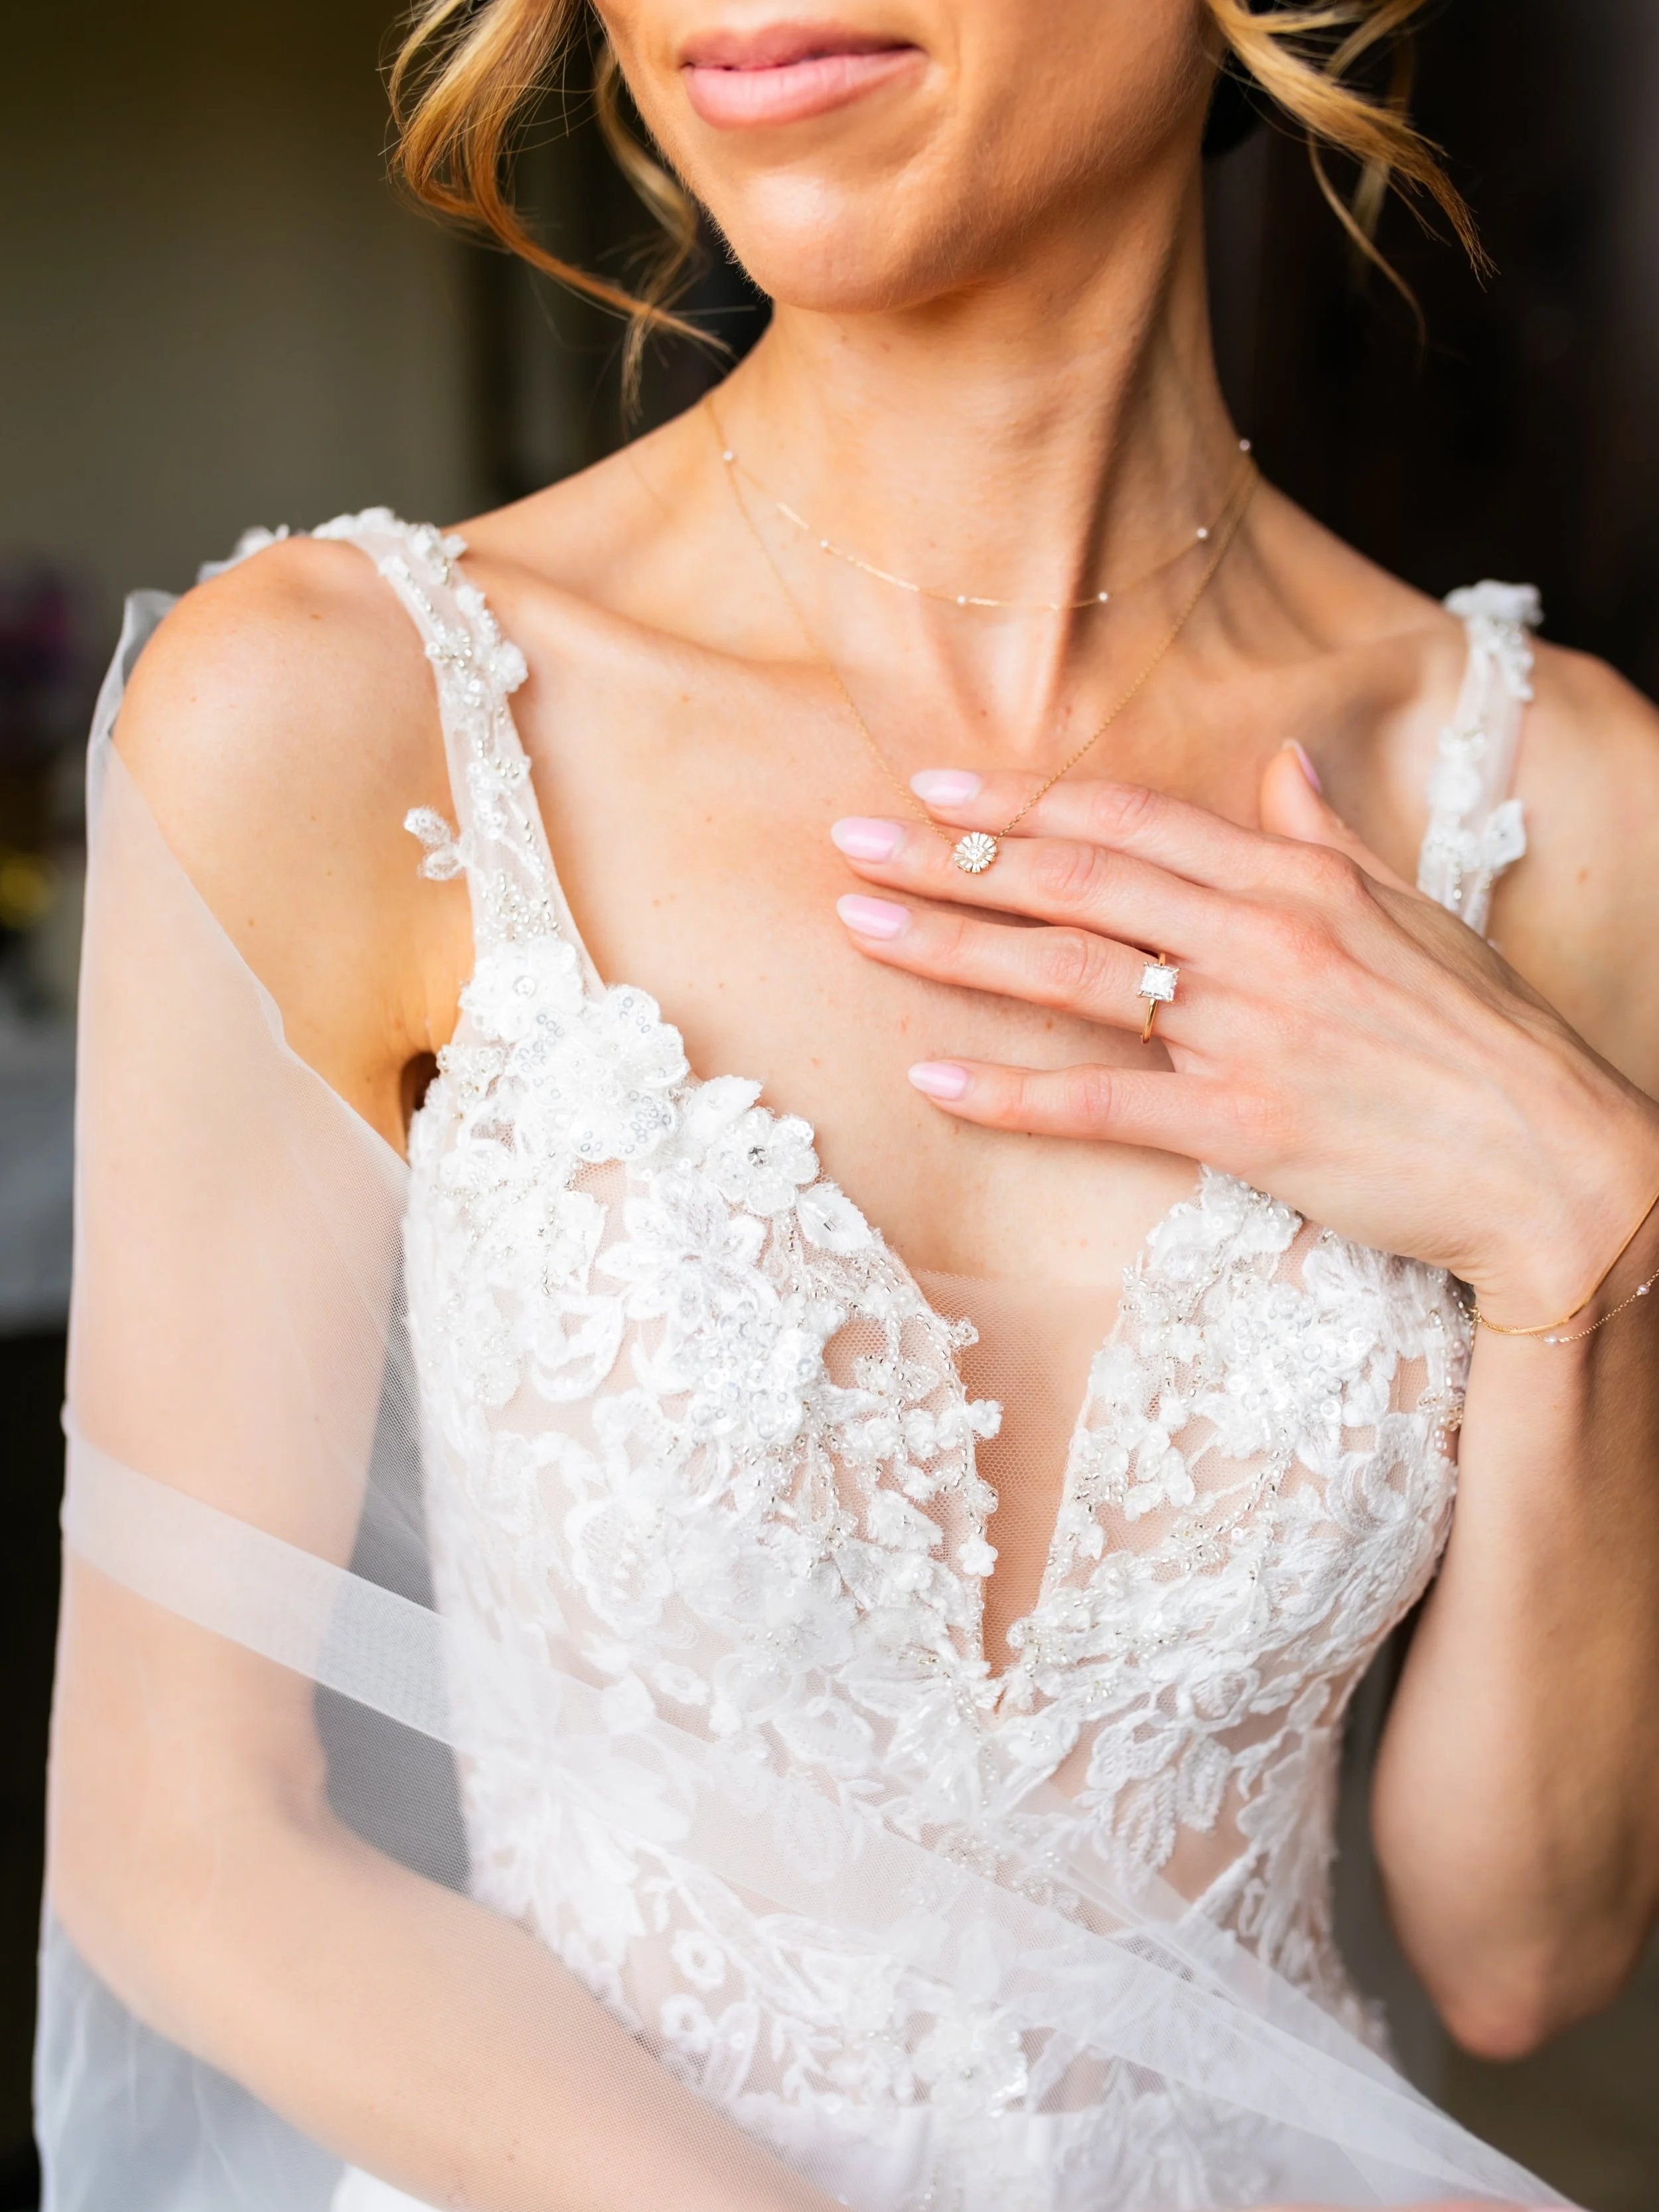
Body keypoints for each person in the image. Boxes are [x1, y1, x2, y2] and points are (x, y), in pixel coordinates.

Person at [37, 3, 1659, 2208]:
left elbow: (1521, 1950)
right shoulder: (346, 715)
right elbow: (180, 1838)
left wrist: (1585, 1226)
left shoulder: (1557, 806)